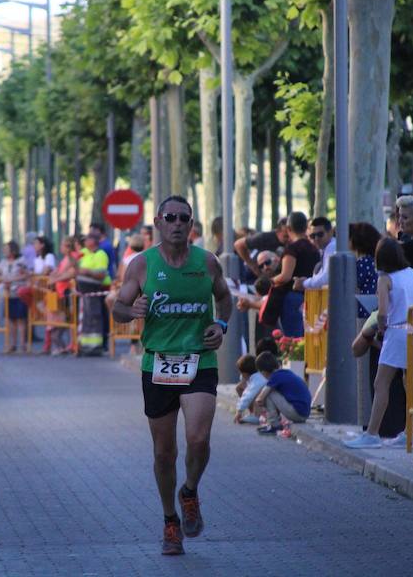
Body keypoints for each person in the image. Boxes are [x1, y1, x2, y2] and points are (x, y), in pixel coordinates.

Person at [112, 194, 232, 556]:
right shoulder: (141, 265)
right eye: (171, 217)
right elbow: (117, 309)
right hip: (158, 364)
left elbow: (225, 299)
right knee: (164, 453)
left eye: (185, 218)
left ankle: (190, 491)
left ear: (191, 225)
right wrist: (131, 310)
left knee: (198, 439)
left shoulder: (207, 263)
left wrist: (221, 324)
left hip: (199, 361)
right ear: (158, 223)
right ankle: (169, 521)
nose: (178, 224)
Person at [344, 238, 413, 448]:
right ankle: (412, 433)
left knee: (381, 384)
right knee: (412, 384)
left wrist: (380, 330)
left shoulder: (385, 279)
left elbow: (382, 313)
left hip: (397, 331)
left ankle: (372, 433)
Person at [263, 212, 320, 338]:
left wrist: (271, 280)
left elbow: (285, 276)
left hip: (293, 298)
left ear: (288, 229)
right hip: (312, 297)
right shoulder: (314, 248)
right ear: (306, 227)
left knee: (293, 339)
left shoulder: (292, 249)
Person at [252, 351, 312, 435]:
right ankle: (274, 422)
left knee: (269, 394)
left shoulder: (275, 377)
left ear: (263, 372)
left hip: (297, 413)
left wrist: (260, 404)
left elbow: (260, 398)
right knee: (271, 392)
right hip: (304, 413)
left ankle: (274, 424)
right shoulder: (285, 373)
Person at [76, 232, 111, 355]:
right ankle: (86, 345)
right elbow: (75, 267)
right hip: (85, 292)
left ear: (93, 241)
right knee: (86, 319)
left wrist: (87, 272)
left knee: (95, 318)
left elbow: (101, 274)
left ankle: (96, 346)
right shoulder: (85, 253)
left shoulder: (100, 254)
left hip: (95, 291)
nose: (84, 242)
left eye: (86, 240)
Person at [0, 241, 31, 354]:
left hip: (19, 292)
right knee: (10, 320)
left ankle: (22, 345)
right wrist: (3, 279)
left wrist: (12, 280)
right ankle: (12, 345)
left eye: (6, 249)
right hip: (8, 294)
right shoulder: (3, 262)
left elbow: (26, 274)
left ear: (13, 250)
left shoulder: (21, 261)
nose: (4, 251)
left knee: (21, 320)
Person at [48, 236, 79, 355]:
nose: (60, 247)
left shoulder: (73, 257)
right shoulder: (65, 258)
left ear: (68, 247)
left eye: (62, 245)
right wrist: (54, 276)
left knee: (70, 319)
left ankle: (72, 344)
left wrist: (55, 279)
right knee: (64, 319)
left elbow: (71, 273)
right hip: (60, 293)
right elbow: (59, 271)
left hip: (68, 292)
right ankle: (65, 345)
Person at [349, 222, 381, 318]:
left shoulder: (362, 263)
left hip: (363, 310)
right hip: (375, 308)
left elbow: (351, 286)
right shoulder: (373, 261)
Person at [298, 217, 335, 290]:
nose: (316, 238)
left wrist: (304, 283)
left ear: (330, 233)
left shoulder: (332, 247)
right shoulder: (326, 248)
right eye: (313, 236)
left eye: (320, 234)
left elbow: (326, 279)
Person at [233, 354, 265, 425]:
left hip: (265, 405)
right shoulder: (256, 376)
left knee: (256, 394)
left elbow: (247, 396)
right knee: (240, 388)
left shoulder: (257, 380)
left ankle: (257, 416)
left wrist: (239, 411)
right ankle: (253, 413)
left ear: (244, 374)